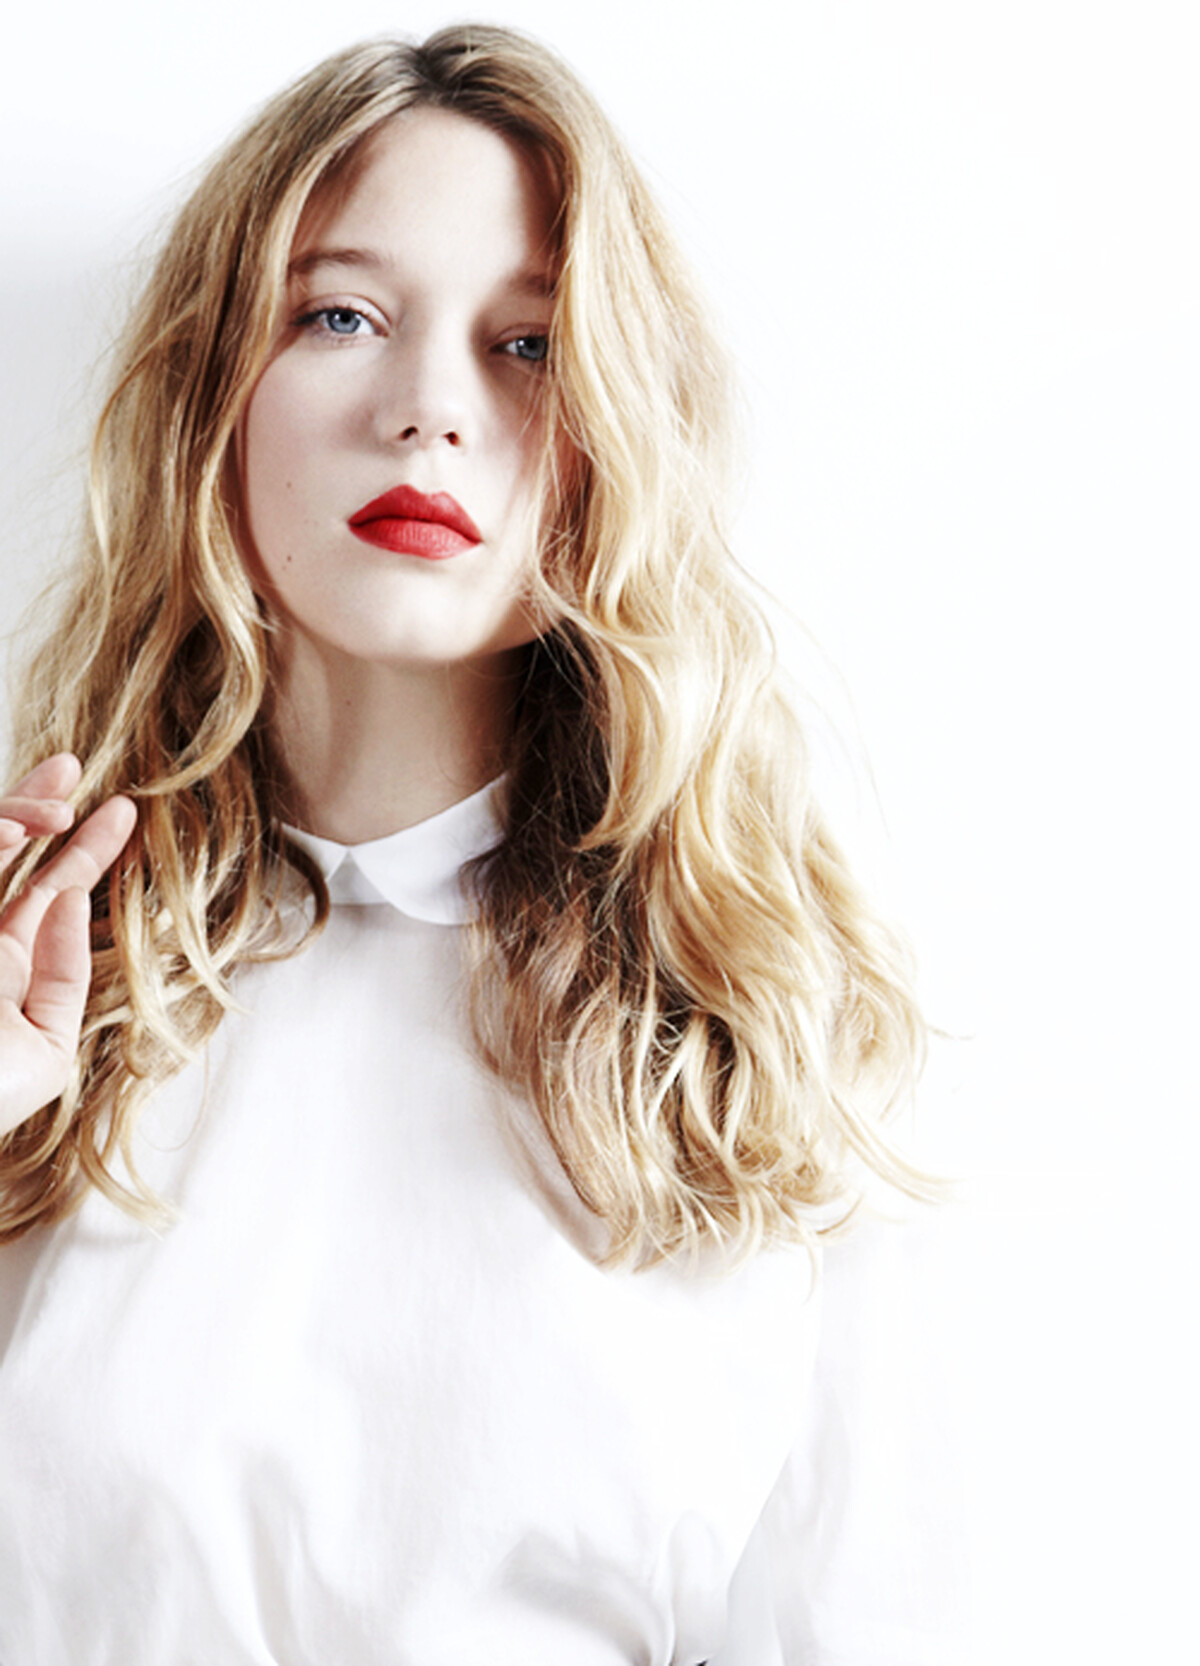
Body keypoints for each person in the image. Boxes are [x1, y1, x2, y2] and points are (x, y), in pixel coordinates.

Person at [0, 25, 931, 1662]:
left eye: (528, 344)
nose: (429, 410)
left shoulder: (766, 1038)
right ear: (215, 388)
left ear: (613, 433)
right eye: (340, 316)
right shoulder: (51, 994)